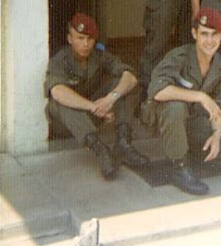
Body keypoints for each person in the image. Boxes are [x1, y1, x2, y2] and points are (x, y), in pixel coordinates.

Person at [142, 7, 221, 195]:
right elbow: (157, 91)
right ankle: (178, 166)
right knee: (175, 107)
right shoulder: (179, 56)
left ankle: (186, 148)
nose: (209, 41)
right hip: (164, 118)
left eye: (214, 35)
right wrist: (200, 96)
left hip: (192, 121)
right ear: (194, 33)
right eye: (204, 34)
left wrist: (217, 134)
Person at [44, 13, 149, 179]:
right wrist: (95, 107)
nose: (85, 44)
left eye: (90, 39)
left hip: (93, 115)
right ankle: (102, 151)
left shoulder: (98, 55)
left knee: (125, 84)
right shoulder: (60, 60)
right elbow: (57, 91)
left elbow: (130, 75)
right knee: (59, 101)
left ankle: (123, 144)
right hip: (66, 124)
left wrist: (110, 99)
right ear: (69, 39)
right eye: (80, 38)